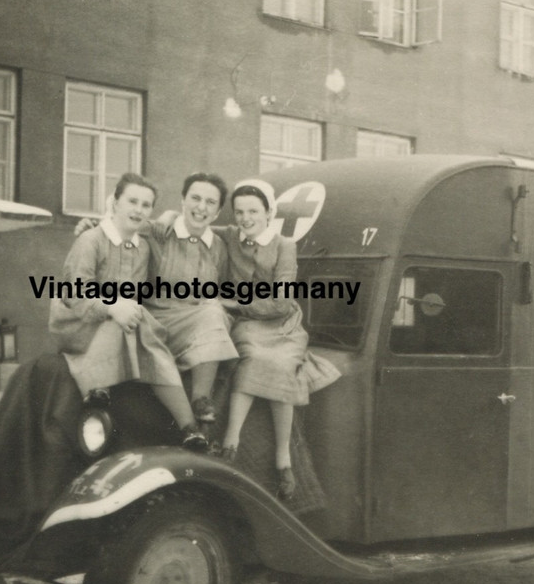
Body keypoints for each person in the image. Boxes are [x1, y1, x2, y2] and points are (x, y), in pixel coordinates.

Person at [50, 173, 207, 449]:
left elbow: (172, 227)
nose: (138, 209)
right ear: (115, 203)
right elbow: (73, 293)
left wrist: (170, 215)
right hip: (79, 321)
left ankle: (190, 429)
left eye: (146, 205)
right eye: (132, 201)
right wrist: (112, 305)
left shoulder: (142, 246)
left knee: (144, 330)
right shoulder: (91, 240)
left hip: (123, 322)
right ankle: (96, 390)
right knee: (132, 323)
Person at [215, 180, 340, 499]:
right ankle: (231, 440)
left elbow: (281, 302)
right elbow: (182, 221)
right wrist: (105, 222)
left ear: (269, 212)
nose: (246, 218)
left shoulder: (285, 245)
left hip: (282, 323)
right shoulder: (230, 236)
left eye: (253, 211)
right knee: (253, 356)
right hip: (248, 324)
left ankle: (283, 457)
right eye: (240, 211)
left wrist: (231, 301)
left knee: (283, 363)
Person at [139, 172, 238, 427]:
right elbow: (123, 224)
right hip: (157, 320)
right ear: (182, 200)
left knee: (214, 309)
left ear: (217, 212)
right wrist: (90, 225)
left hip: (197, 325)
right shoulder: (158, 231)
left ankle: (200, 399)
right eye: (195, 198)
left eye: (210, 202)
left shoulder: (218, 247)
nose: (201, 207)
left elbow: (220, 289)